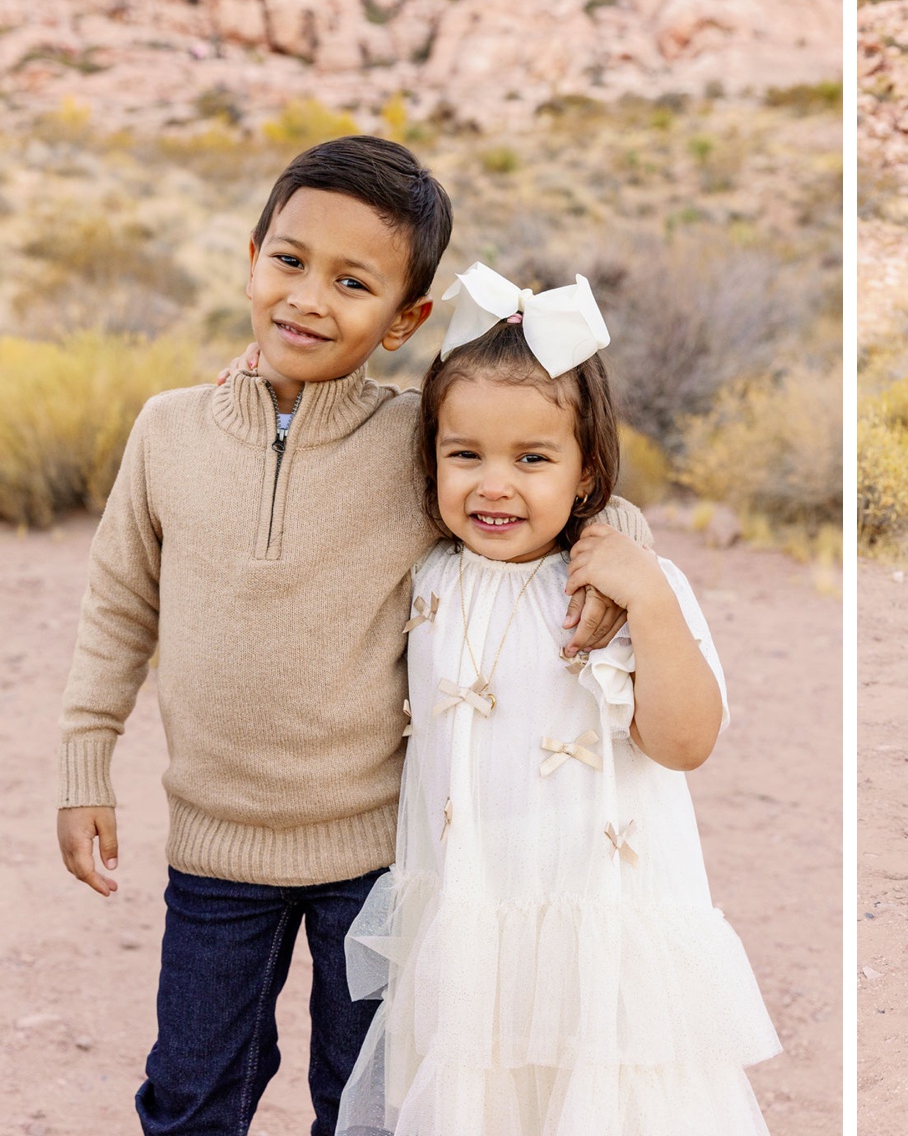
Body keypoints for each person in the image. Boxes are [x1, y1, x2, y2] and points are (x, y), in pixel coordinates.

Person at [54, 137, 649, 1134]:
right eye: (288, 260)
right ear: (251, 256)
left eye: (352, 280)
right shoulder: (166, 431)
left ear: (403, 319)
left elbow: (532, 488)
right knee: (191, 1089)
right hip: (214, 849)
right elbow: (118, 606)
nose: (308, 297)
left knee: (366, 1095)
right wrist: (84, 761)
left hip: (376, 851)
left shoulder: (413, 444)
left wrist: (617, 532)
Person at [334, 265, 778, 1134]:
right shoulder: (422, 578)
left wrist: (646, 597)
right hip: (470, 938)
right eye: (465, 454)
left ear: (586, 473)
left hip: (598, 931)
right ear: (429, 458)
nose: (494, 484)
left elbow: (685, 742)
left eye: (532, 458)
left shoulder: (622, 588)